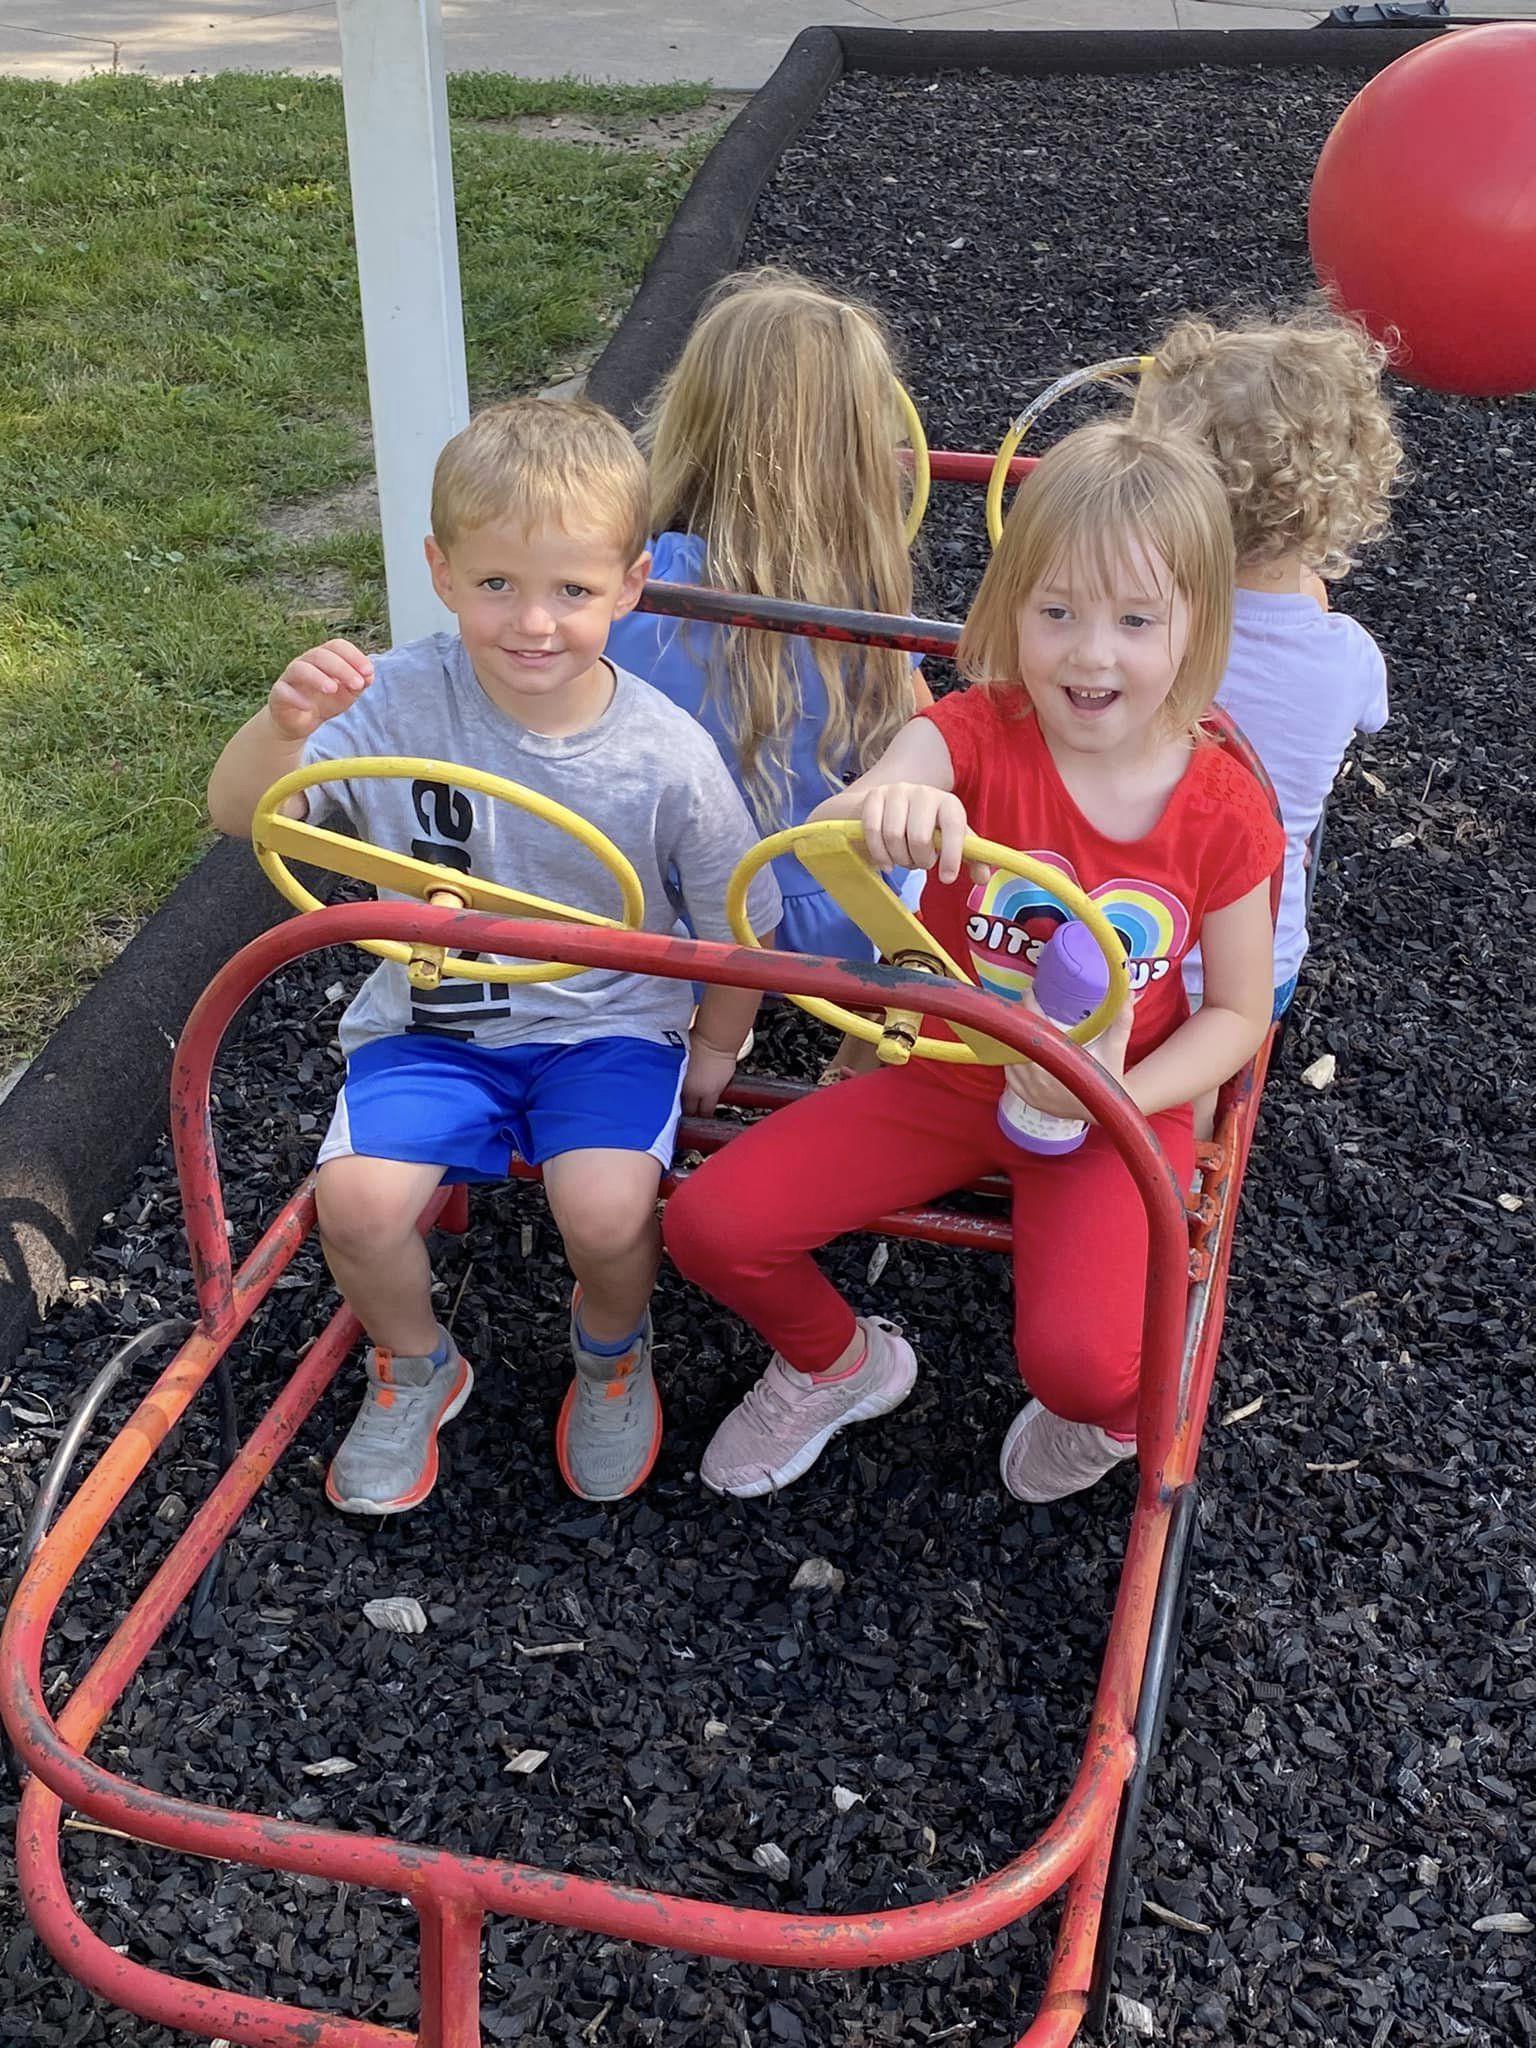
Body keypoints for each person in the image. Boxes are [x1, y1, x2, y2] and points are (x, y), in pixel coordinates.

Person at [663, 421, 1284, 1506]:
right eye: (1057, 613)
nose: (1092, 654)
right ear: (1011, 613)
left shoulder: (1222, 809)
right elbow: (882, 793)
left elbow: (1236, 1011)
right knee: (711, 1222)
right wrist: (887, 801)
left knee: (1088, 1371)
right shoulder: (977, 733)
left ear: (1197, 627)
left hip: (1113, 1098)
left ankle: (1102, 1420)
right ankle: (839, 1361)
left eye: (1136, 620)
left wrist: (1115, 1093)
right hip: (950, 1060)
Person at [208, 397, 781, 1514]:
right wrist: (282, 727)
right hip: (437, 1018)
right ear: (441, 568)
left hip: (606, 1023)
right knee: (358, 1203)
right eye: (498, 585)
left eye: (573, 590)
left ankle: (613, 1349)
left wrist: (722, 1037)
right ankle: (417, 1361)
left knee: (606, 1208)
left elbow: (731, 916)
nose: (534, 622)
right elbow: (245, 815)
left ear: (631, 583)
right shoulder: (396, 700)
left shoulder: (667, 754)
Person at [604, 268, 931, 1074]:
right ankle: (870, 1053)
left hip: (665, 918)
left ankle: (686, 1026)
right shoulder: (863, 598)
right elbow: (921, 732)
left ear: (691, 416)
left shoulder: (634, 587)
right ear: (860, 448)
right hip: (840, 915)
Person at [1132, 305, 1404, 1017]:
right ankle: (1195, 1108)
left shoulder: (1129, 630)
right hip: (1247, 975)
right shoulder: (1348, 659)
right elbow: (1368, 719)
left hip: (1101, 946)